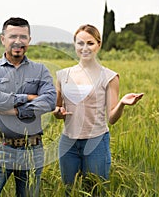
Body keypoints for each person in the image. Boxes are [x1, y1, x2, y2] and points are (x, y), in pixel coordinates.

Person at [53, 24, 144, 195]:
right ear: (74, 45)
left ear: (99, 45)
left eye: (90, 43)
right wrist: (58, 113)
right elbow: (58, 110)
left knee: (97, 191)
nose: (85, 48)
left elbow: (111, 118)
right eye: (80, 43)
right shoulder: (62, 75)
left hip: (96, 142)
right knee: (69, 191)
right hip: (68, 143)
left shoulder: (109, 76)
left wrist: (122, 104)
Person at [0, 17, 56, 197]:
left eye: (23, 37)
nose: (18, 41)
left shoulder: (40, 70)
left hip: (32, 151)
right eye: (12, 36)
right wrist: (27, 97)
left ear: (29, 40)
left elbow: (49, 100)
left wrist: (15, 110)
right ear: (3, 39)